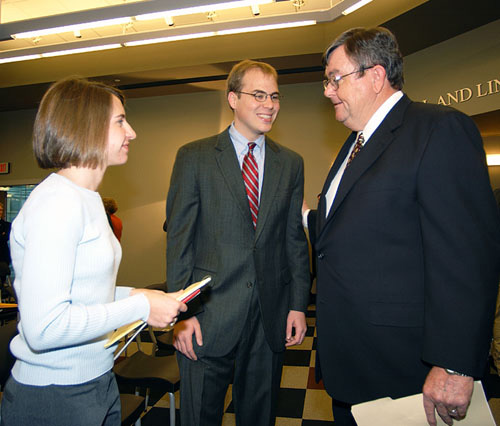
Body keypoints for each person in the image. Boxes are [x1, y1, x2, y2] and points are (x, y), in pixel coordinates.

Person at [303, 27, 500, 426]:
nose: (327, 91)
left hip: (411, 370)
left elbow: (467, 258)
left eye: (334, 78)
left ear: (375, 76)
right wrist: (304, 218)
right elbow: (348, 233)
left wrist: (455, 365)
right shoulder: (352, 146)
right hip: (353, 366)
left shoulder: (438, 129)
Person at [0, 77, 187, 426]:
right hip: (55, 397)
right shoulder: (56, 204)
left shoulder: (84, 200)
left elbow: (81, 294)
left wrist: (138, 294)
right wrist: (140, 306)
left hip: (93, 381)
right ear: (86, 127)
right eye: (120, 121)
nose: (131, 132)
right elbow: (45, 328)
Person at [166, 59, 310, 426]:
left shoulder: (291, 163)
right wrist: (183, 315)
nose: (270, 104)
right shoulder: (194, 156)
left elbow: (293, 239)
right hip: (207, 318)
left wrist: (297, 305)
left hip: (269, 319)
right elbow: (179, 242)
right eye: (258, 95)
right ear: (232, 98)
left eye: (275, 96)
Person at [0, 202, 11, 286]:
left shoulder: (7, 225)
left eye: (1, 210)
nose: (0, 212)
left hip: (3, 256)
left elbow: (5, 238)